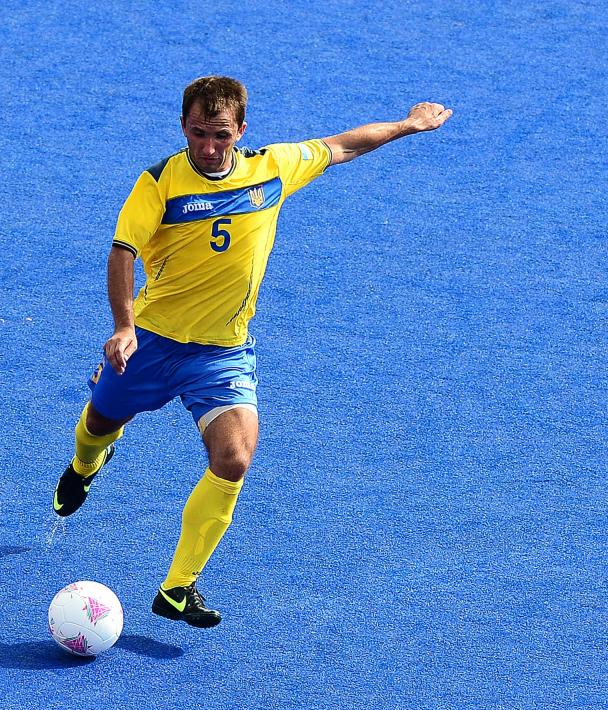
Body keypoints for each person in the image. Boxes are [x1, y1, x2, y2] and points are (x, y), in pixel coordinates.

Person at [52, 76, 452, 629]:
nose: (208, 148)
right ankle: (84, 466)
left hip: (222, 352)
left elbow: (344, 146)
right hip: (151, 340)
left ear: (241, 130)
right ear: (183, 127)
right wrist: (123, 327)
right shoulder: (159, 185)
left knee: (234, 457)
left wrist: (408, 125)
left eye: (220, 135)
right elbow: (123, 252)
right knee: (100, 418)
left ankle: (177, 587)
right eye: (197, 134)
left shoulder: (272, 168)